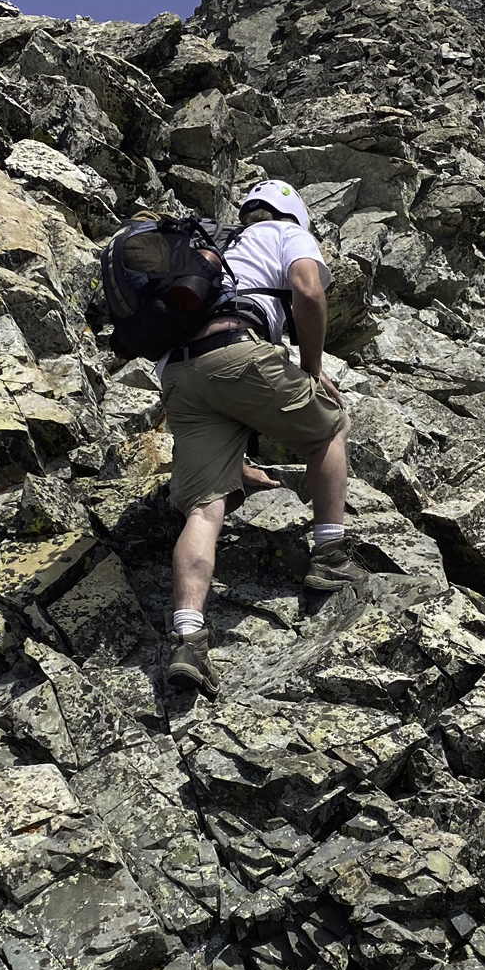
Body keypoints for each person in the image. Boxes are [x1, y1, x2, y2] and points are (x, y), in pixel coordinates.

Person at [160, 180, 365, 696]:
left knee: (205, 507)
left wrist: (241, 463)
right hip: (237, 348)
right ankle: (330, 555)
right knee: (330, 427)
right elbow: (308, 291)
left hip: (179, 374)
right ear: (294, 213)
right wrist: (313, 367)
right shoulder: (285, 232)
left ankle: (188, 637)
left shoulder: (217, 245)